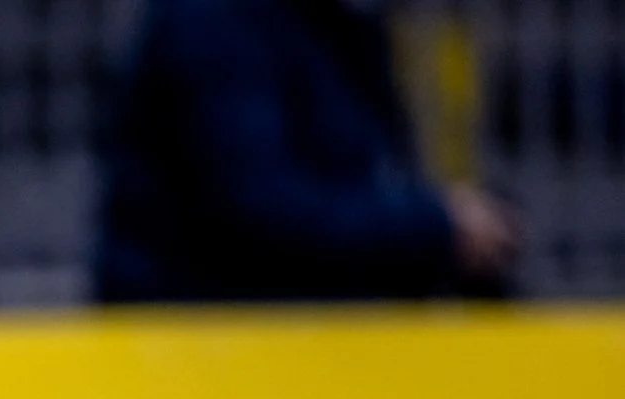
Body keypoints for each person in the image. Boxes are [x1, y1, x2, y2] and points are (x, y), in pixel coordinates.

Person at [91, 0, 521, 303]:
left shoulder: (341, 23)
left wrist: (445, 227)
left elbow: (370, 172)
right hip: (203, 353)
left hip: (296, 343)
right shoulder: (216, 20)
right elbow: (257, 207)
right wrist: (436, 227)